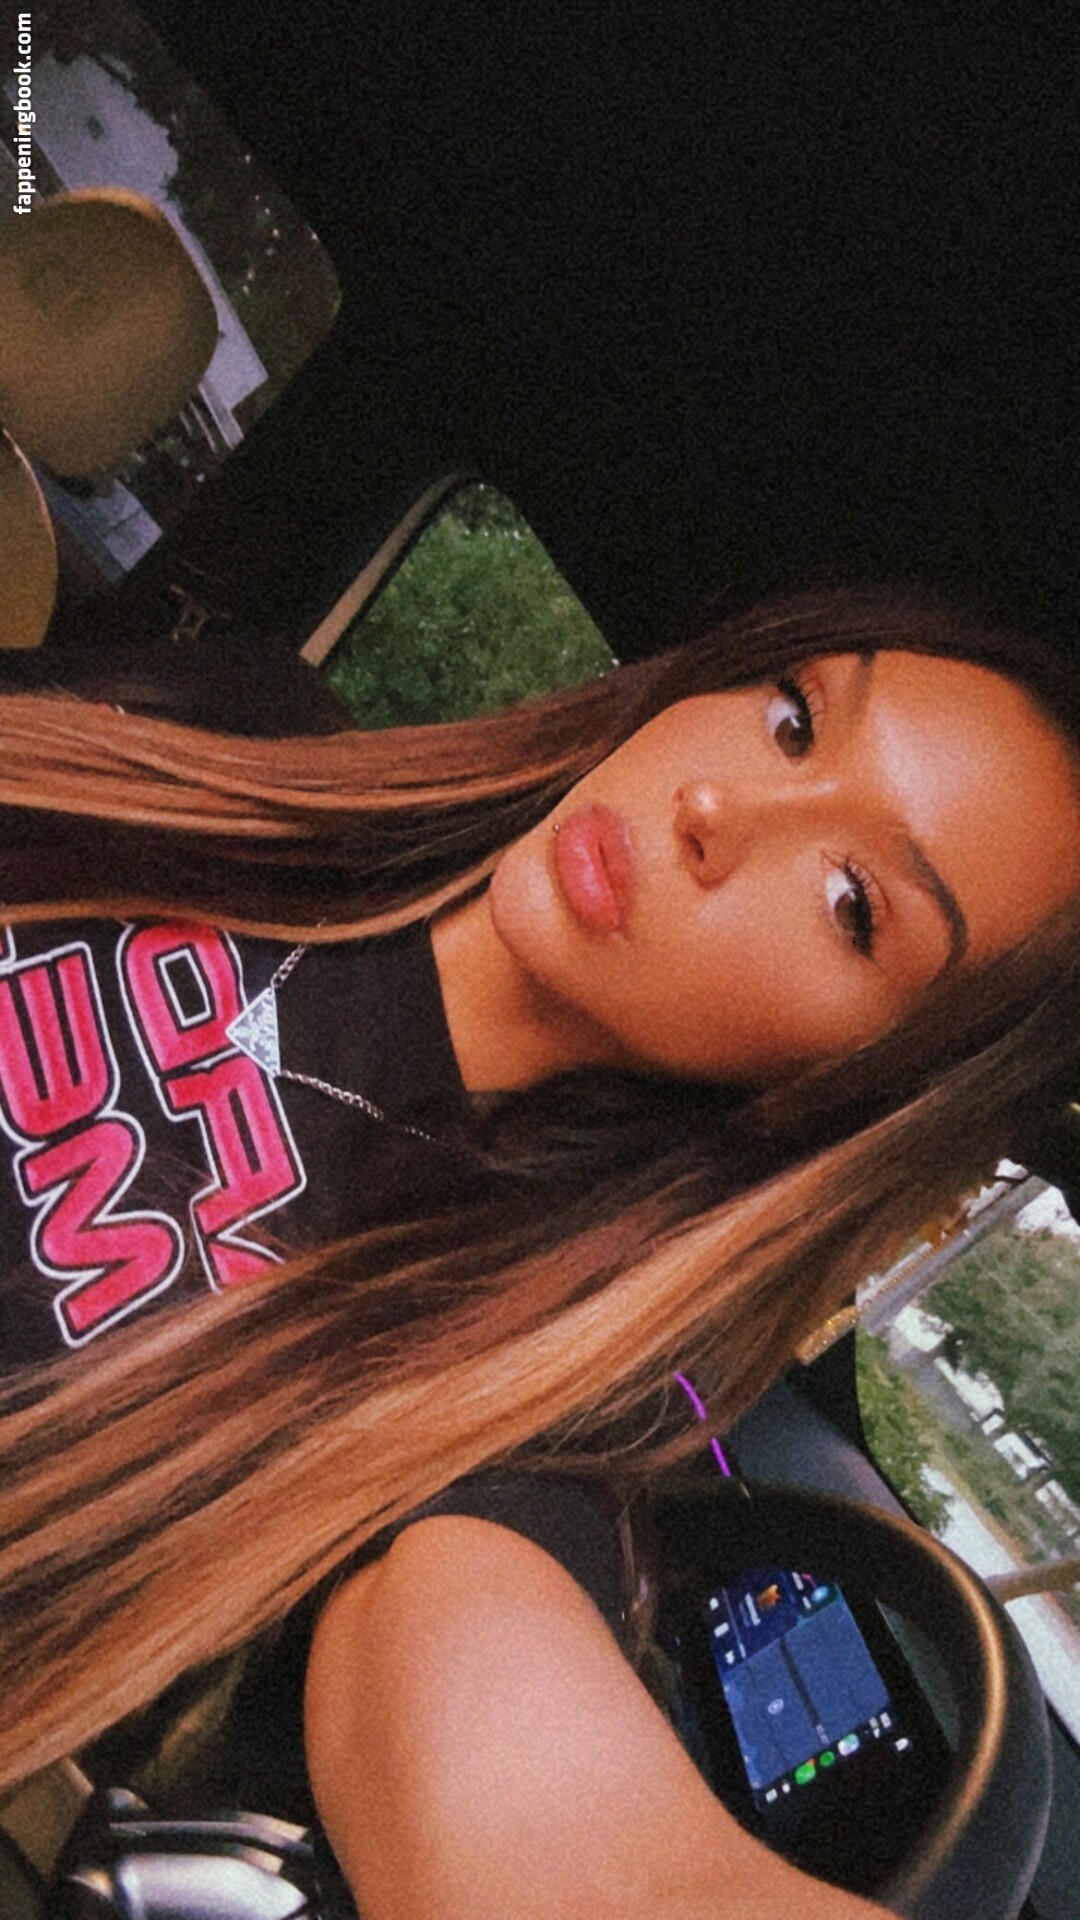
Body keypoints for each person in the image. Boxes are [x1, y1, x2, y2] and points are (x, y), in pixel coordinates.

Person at [3, 585, 1080, 1918]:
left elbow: (542, 1816)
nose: (718, 809)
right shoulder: (237, 734)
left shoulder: (512, 1389)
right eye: (796, 718)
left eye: (854, 904)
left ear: (855, 1085)